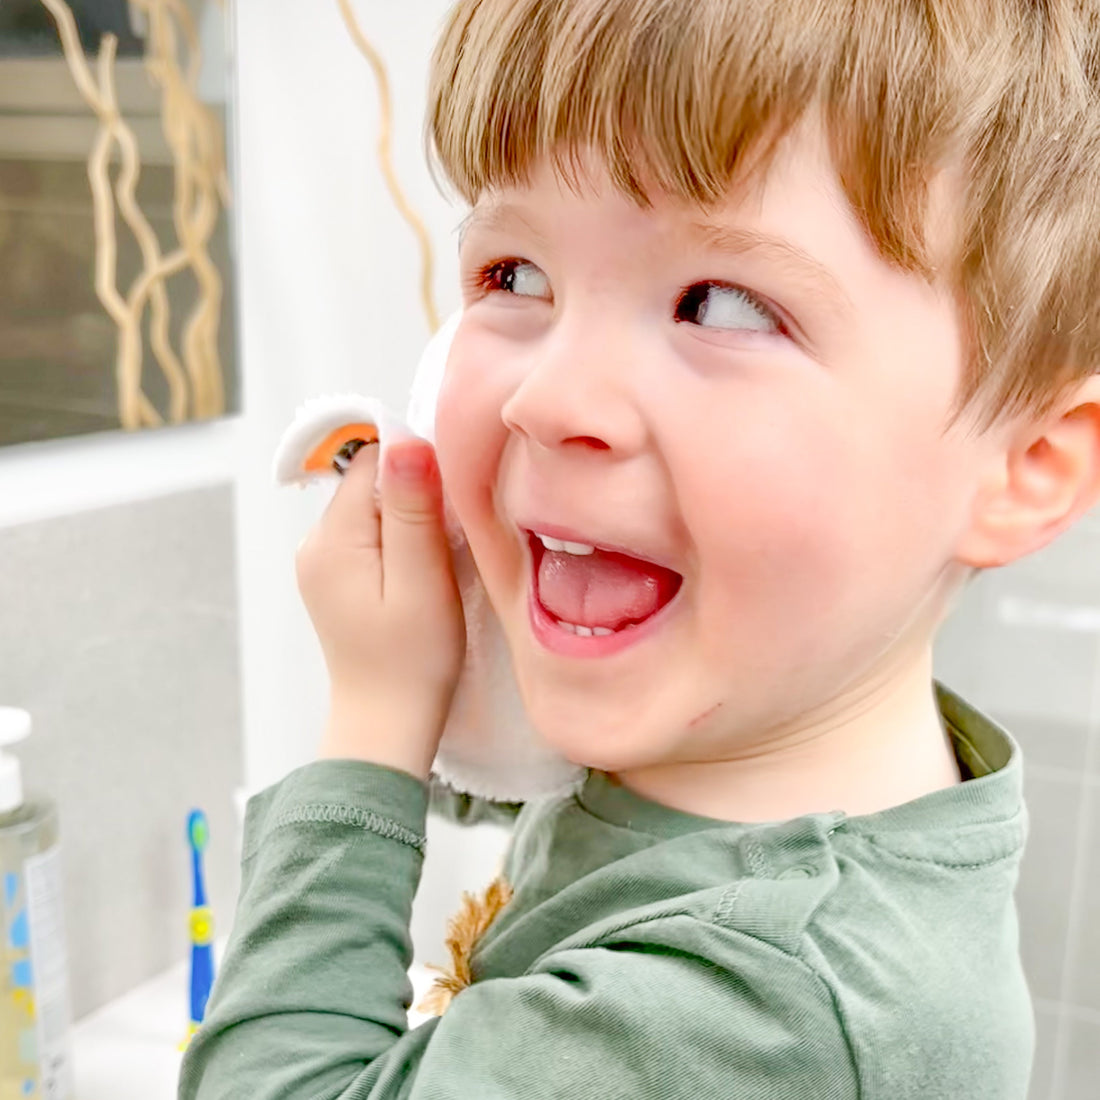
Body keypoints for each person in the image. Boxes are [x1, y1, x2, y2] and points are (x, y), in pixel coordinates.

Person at [178, 1, 1100, 1096]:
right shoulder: (746, 742)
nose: (545, 394)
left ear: (1023, 466)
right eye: (514, 275)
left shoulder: (750, 1002)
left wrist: (374, 720)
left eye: (721, 304)